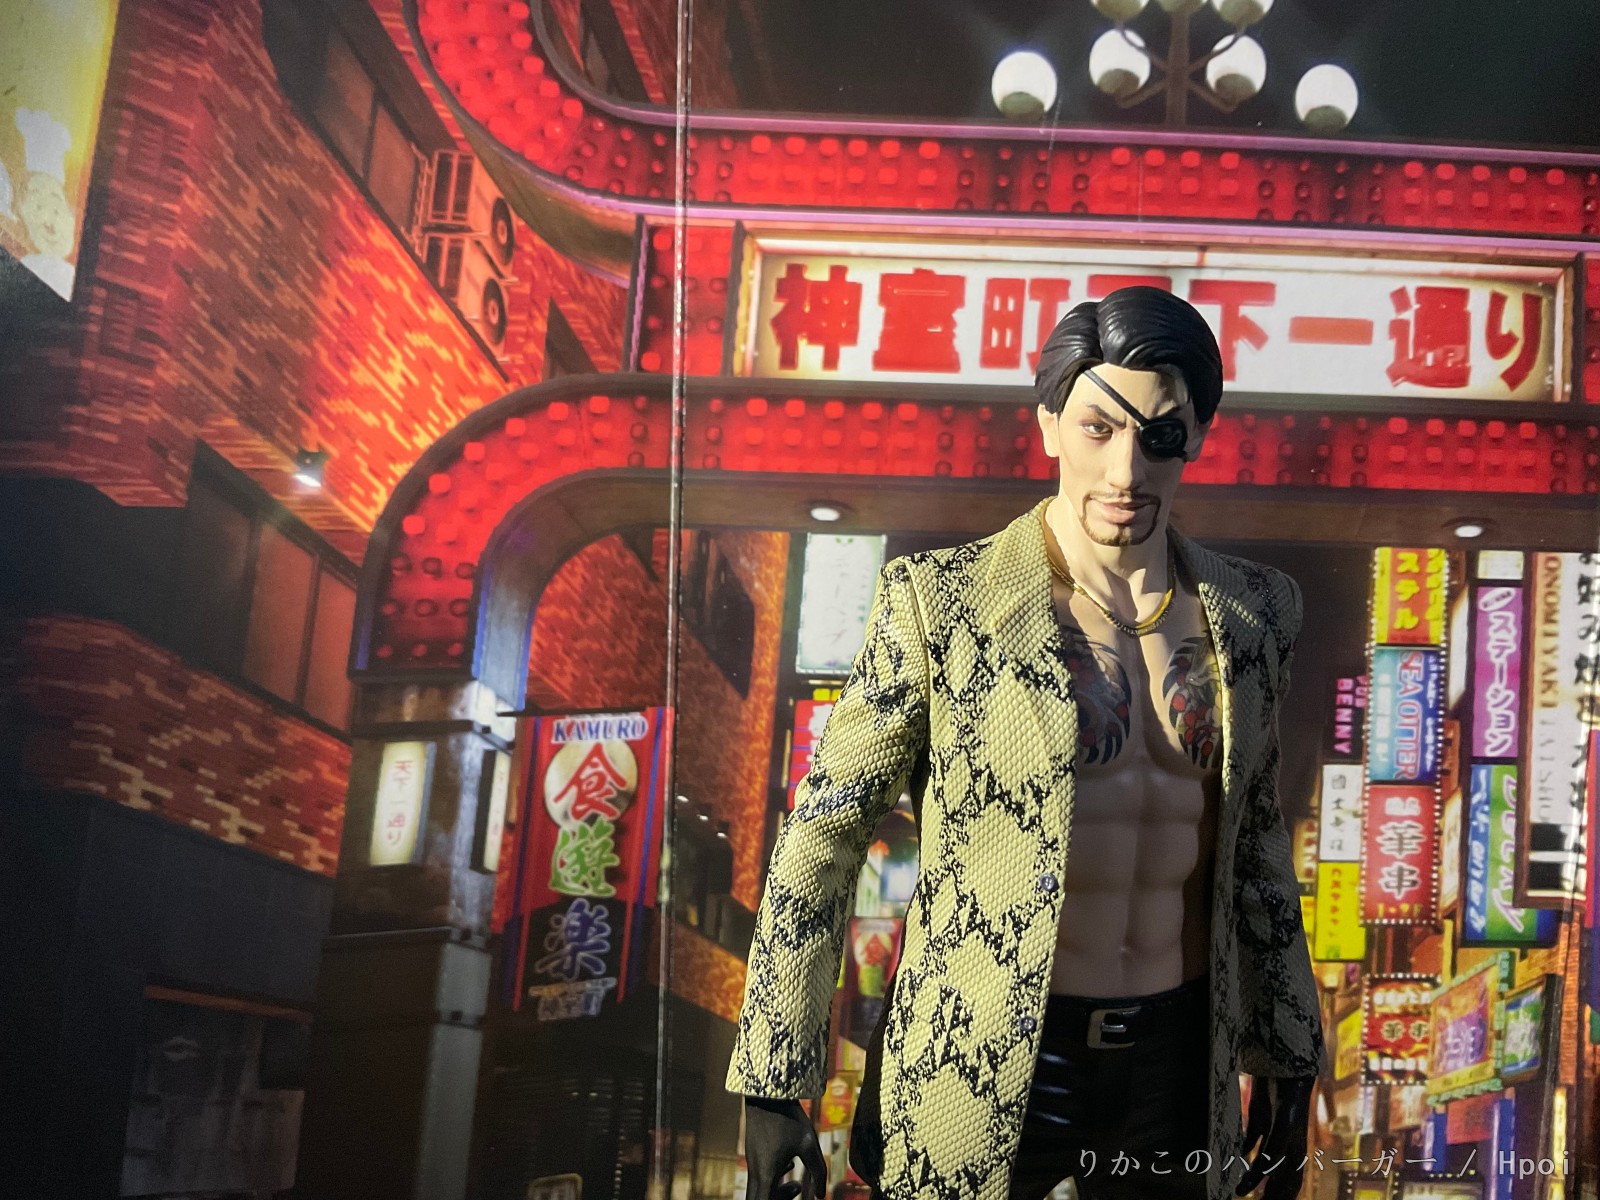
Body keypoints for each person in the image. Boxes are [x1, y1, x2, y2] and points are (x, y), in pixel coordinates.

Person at [725, 287, 1323, 1200]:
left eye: (1160, 435)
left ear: (1197, 436)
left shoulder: (1253, 615)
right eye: (1098, 428)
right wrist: (775, 1075)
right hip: (980, 1049)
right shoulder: (942, 603)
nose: (1125, 470)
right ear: (1048, 425)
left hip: (1176, 1057)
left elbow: (1256, 848)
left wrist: (1287, 1050)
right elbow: (826, 833)